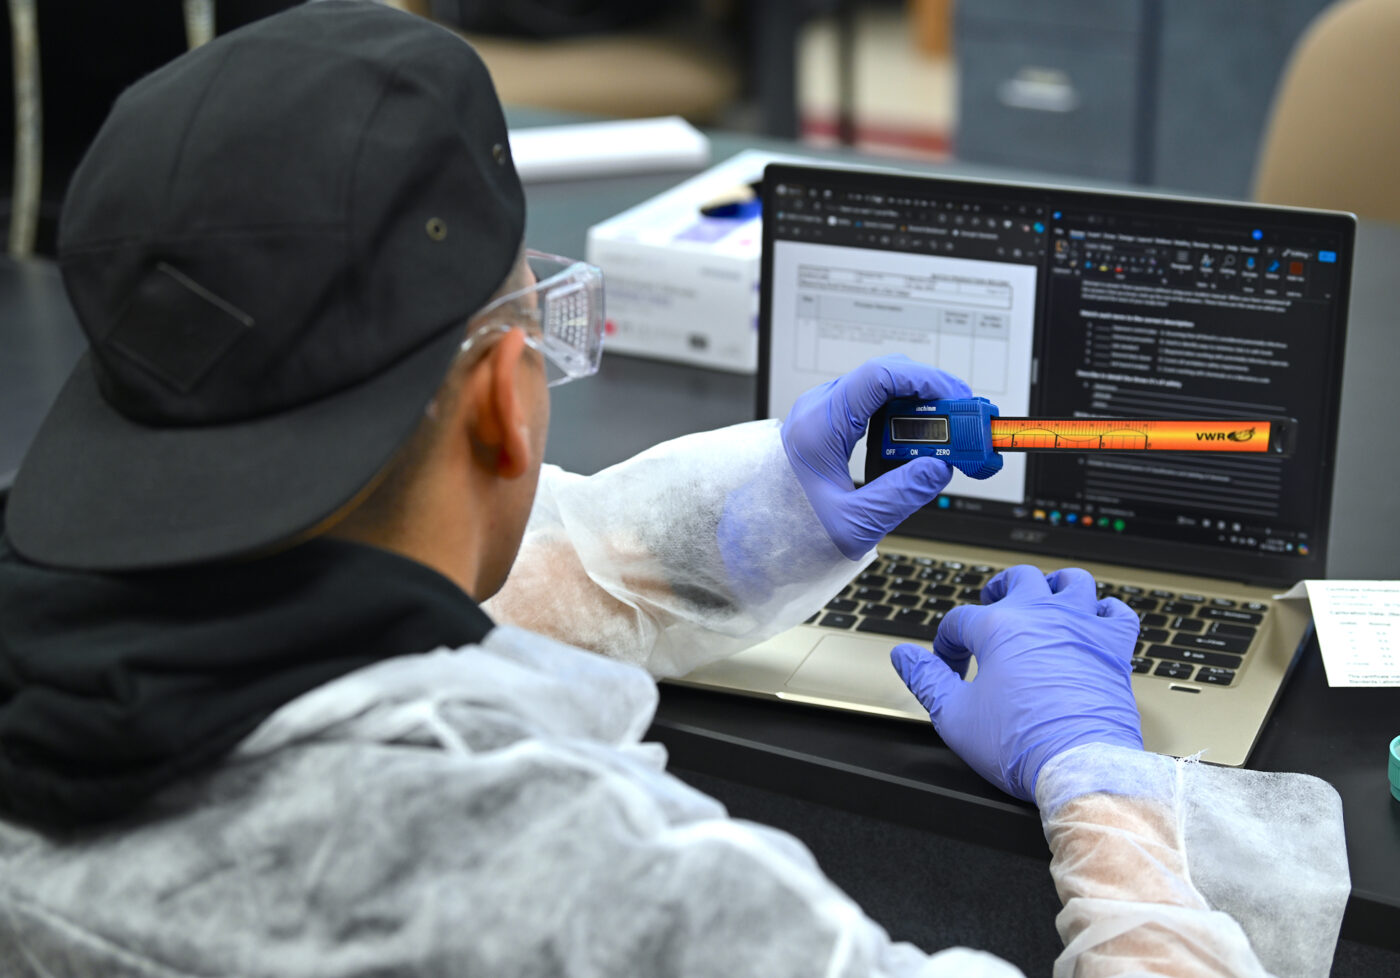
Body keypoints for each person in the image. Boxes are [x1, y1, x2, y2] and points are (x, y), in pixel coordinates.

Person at [0, 3, 1349, 976]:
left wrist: (777, 509)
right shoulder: (606, 892)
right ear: (498, 399)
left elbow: (417, 583)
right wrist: (1100, 779)